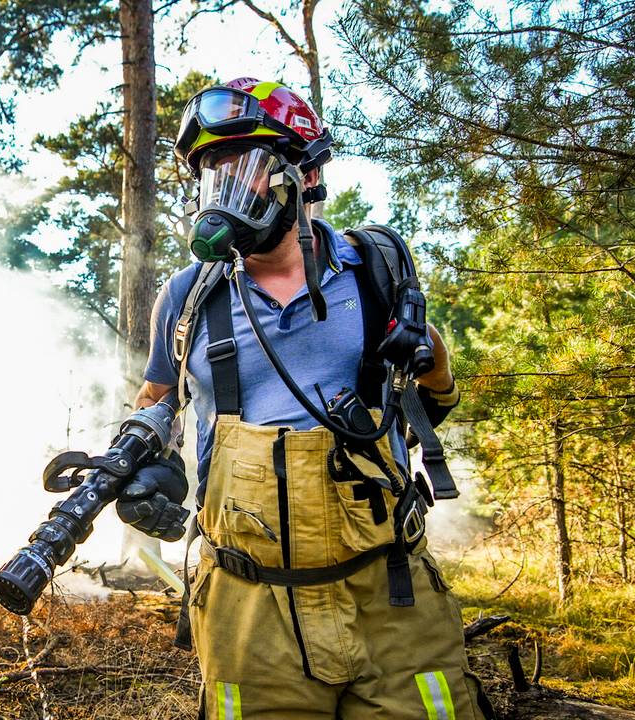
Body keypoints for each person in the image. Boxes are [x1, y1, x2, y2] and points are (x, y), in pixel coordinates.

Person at [115, 78, 492, 719]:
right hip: (248, 606)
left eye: (248, 167)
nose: (226, 189)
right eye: (213, 172)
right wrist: (148, 466)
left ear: (302, 175)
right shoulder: (185, 297)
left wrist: (428, 358)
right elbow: (160, 404)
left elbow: (434, 395)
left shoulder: (377, 268)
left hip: (390, 594)